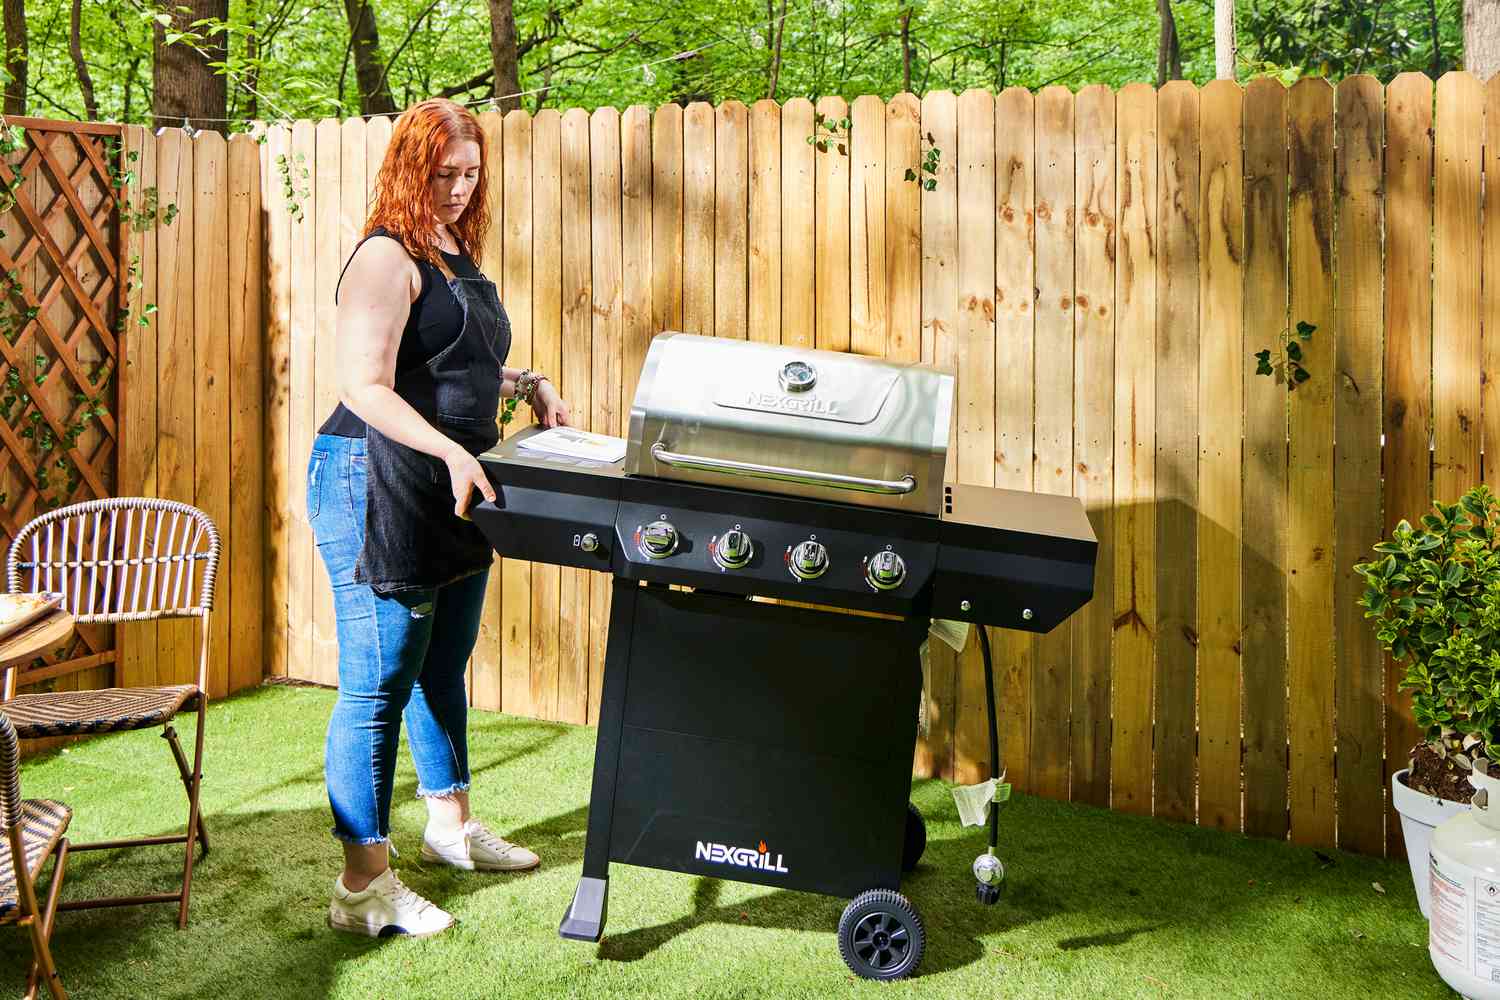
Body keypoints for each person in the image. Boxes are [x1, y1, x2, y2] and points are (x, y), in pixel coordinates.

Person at [304, 97, 571, 938]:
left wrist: (526, 385)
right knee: (377, 684)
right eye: (443, 173)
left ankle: (451, 828)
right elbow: (367, 386)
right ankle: (362, 885)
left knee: (443, 660)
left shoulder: (453, 253)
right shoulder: (384, 258)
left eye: (470, 174)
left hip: (452, 483)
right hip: (372, 479)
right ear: (408, 171)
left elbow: (448, 369)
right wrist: (456, 452)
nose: (458, 188)